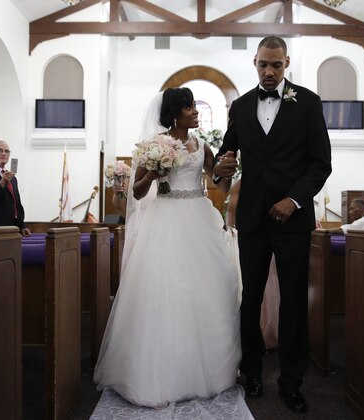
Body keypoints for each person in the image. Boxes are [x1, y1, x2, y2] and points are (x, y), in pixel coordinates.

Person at [93, 87, 241, 408]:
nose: (195, 110)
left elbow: (216, 181)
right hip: (165, 218)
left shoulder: (202, 145)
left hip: (199, 217)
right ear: (176, 113)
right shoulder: (155, 146)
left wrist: (224, 172)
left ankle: (205, 369)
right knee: (166, 291)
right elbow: (137, 191)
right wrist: (156, 172)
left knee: (206, 289)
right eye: (190, 106)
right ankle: (162, 371)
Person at [213, 36, 332, 413]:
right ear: (255, 62)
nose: (269, 71)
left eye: (276, 65)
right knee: (250, 299)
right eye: (264, 64)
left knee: (295, 300)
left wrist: (293, 200)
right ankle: (250, 370)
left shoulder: (309, 103)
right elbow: (226, 152)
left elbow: (320, 163)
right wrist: (221, 165)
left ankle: (292, 380)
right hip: (251, 217)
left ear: (287, 63)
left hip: (293, 220)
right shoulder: (242, 106)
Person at [227, 179, 279, 350]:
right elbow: (232, 211)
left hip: (256, 237)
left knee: (255, 289)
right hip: (262, 237)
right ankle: (267, 331)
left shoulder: (240, 185)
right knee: (263, 289)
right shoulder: (241, 186)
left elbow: (232, 212)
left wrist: (230, 228)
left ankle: (261, 333)